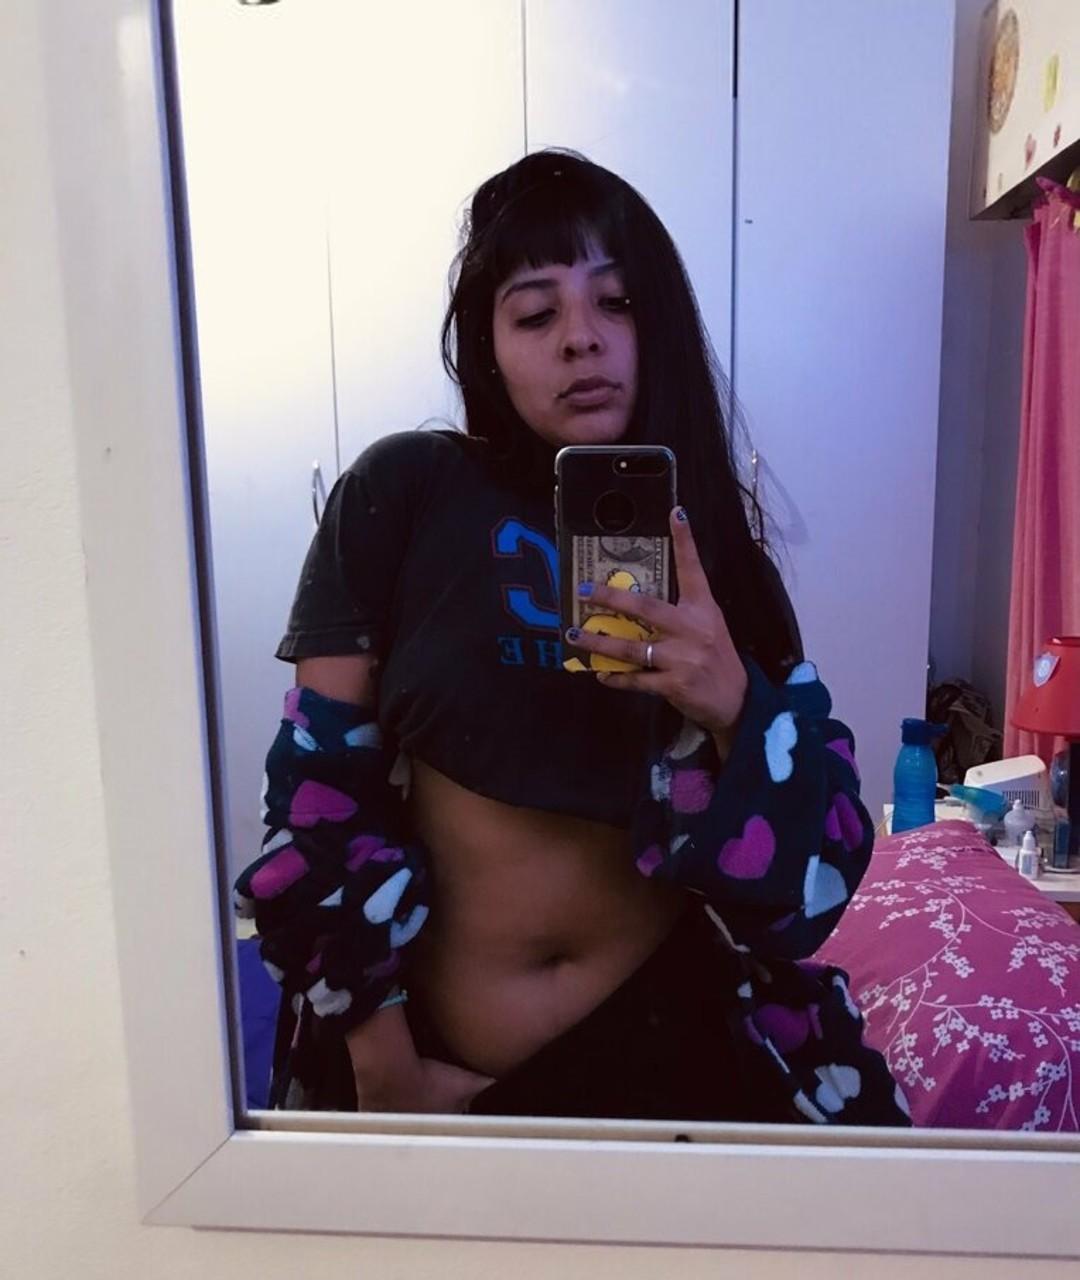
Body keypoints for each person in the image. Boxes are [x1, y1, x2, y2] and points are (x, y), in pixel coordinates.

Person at [233, 148, 911, 1127]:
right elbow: (315, 798)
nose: (581, 339)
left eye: (616, 302)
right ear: (489, 347)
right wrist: (386, 1073)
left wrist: (734, 705)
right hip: (433, 1071)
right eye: (535, 313)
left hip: (676, 1059)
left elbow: (810, 890)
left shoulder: (719, 563)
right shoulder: (405, 494)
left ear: (658, 324)